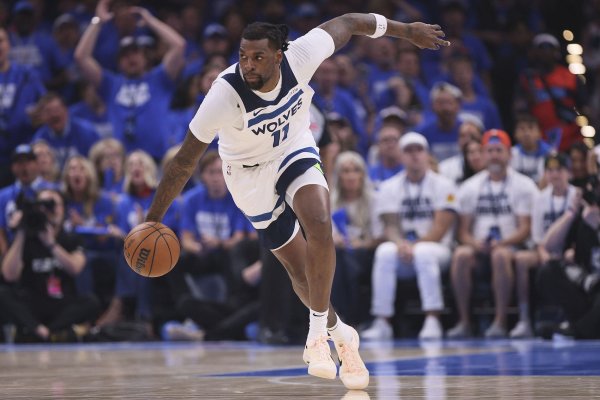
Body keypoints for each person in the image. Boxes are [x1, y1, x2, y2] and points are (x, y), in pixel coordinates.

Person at [137, 14, 448, 390]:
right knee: (300, 273)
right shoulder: (224, 94)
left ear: (279, 56)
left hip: (293, 147)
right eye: (243, 56)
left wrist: (406, 31)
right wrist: (153, 219)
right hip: (247, 175)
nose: (249, 64)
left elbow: (350, 22)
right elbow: (184, 162)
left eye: (258, 57)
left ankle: (315, 335)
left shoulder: (302, 55)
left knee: (319, 221)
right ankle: (341, 334)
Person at [361, 132, 457, 341]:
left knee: (423, 253)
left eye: (419, 150)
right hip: (405, 249)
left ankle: (432, 318)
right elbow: (390, 225)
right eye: (409, 151)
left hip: (438, 249)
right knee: (384, 252)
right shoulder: (389, 187)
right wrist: (400, 244)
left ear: (427, 154)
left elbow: (440, 229)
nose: (414, 155)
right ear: (401, 156)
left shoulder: (445, 185)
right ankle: (382, 321)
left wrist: (414, 245)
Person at [448, 129, 538, 338]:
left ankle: (500, 321)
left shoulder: (524, 185)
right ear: (483, 154)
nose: (494, 155)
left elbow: (525, 228)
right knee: (460, 255)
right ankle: (464, 321)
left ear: (509, 154)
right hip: (479, 248)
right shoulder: (470, 187)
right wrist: (475, 243)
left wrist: (503, 242)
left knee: (500, 255)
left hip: (512, 246)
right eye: (490, 151)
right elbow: (463, 231)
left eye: (499, 150)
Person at [75, 0, 185, 161]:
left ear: (145, 57)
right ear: (119, 62)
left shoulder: (159, 78)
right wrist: (97, 22)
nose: (131, 58)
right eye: (125, 55)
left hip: (158, 158)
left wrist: (150, 21)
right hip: (124, 161)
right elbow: (81, 57)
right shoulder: (110, 84)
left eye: (135, 53)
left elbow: (179, 46)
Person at [0, 188, 100, 342]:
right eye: (43, 205)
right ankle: (44, 331)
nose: (49, 210)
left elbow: (75, 268)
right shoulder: (27, 237)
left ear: (63, 209)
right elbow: (9, 275)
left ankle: (44, 331)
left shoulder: (71, 238)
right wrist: (21, 232)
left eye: (53, 205)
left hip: (62, 303)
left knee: (91, 301)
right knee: (3, 293)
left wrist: (51, 244)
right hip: (32, 303)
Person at [512, 153, 577, 338]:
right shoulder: (540, 198)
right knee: (521, 259)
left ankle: (573, 315)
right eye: (550, 170)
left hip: (571, 250)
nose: (555, 174)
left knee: (572, 258)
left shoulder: (576, 195)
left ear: (568, 172)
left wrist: (572, 250)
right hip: (545, 249)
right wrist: (544, 255)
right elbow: (537, 237)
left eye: (559, 170)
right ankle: (524, 318)